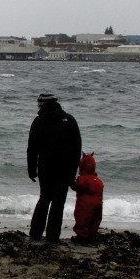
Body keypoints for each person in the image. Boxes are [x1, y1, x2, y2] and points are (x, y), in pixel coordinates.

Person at [27, 94, 81, 244]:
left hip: (46, 168)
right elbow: (77, 148)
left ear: (43, 105)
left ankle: (35, 234)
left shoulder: (38, 121)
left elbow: (32, 148)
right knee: (58, 202)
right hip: (65, 169)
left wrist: (32, 170)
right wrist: (73, 171)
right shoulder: (69, 120)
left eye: (38, 105)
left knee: (44, 199)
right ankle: (52, 237)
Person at [70, 152, 104, 244]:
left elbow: (76, 186)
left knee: (82, 219)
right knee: (95, 220)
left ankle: (82, 237)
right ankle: (91, 236)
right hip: (98, 203)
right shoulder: (98, 181)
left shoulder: (83, 179)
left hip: (85, 204)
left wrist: (71, 181)